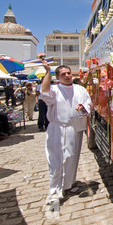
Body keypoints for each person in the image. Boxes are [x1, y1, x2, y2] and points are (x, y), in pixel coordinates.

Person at [40, 61, 92, 204]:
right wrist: (47, 72)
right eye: (63, 74)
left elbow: (88, 103)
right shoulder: (55, 90)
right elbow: (44, 93)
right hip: (58, 127)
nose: (67, 76)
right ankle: (54, 191)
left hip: (74, 126)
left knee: (72, 157)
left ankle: (68, 184)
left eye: (69, 73)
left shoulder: (80, 89)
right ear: (58, 77)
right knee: (56, 159)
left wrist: (83, 107)